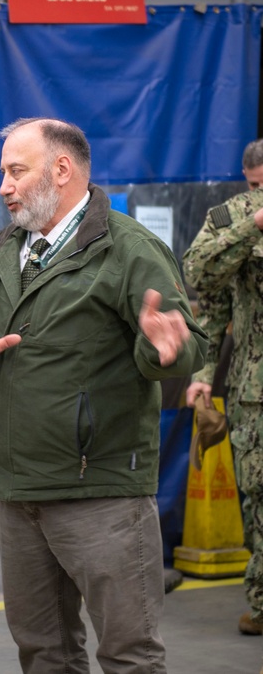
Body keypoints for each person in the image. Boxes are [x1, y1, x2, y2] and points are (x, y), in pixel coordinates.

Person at [0, 117, 207, 673]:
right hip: (15, 486)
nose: (3, 186)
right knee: (43, 651)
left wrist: (165, 347)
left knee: (129, 653)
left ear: (61, 170)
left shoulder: (128, 249)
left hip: (99, 492)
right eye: (3, 173)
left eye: (16, 171)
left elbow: (188, 345)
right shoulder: (1, 251)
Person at [183, 137, 263, 637]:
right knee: (258, 497)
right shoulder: (234, 215)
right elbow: (202, 285)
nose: (259, 194)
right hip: (256, 393)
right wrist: (201, 376)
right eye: (256, 185)